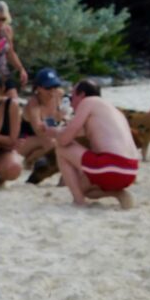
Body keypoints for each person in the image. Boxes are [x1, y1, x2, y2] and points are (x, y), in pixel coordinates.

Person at [52, 80, 140, 208]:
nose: (71, 102)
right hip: (130, 171)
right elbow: (79, 132)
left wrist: (54, 132)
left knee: (61, 149)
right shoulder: (110, 110)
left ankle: (78, 201)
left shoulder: (88, 102)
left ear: (81, 95)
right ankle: (119, 194)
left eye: (72, 96)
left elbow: (64, 140)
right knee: (82, 188)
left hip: (111, 165)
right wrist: (60, 125)